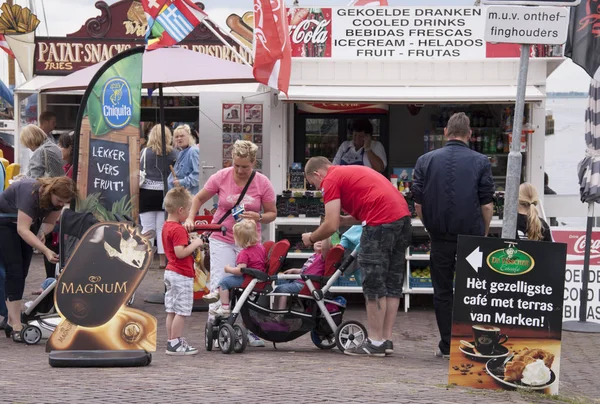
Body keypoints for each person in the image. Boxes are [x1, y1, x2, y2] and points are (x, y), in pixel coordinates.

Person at [301, 157, 412, 357]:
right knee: (391, 282)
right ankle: (385, 340)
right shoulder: (349, 171)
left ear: (317, 174)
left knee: (374, 283)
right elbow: (363, 209)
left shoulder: (330, 180)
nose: (318, 188)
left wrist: (311, 237)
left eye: (313, 184)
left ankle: (375, 341)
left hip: (379, 223)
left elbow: (331, 224)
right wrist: (345, 219)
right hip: (402, 219)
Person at [411, 112, 495, 359]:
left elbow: (418, 204)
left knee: (442, 291)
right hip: (472, 240)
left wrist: (430, 226)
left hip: (440, 237)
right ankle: (473, 341)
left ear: (446, 132)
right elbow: (487, 204)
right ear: (470, 134)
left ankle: (447, 344)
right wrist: (484, 231)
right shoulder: (481, 161)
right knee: (474, 289)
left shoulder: (425, 160)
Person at [184, 140, 276, 347]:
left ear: (254, 163)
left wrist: (259, 216)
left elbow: (272, 213)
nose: (241, 170)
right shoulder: (221, 177)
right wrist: (191, 217)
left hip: (249, 242)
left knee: (249, 285)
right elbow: (198, 198)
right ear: (231, 161)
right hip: (222, 236)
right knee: (220, 281)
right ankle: (217, 328)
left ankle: (247, 328)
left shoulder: (262, 182)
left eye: (246, 166)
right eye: (237, 165)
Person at [0, 176, 77, 342]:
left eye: (65, 202)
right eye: (59, 200)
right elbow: (22, 229)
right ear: (51, 192)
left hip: (25, 225)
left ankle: (11, 319)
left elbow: (49, 222)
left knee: (22, 272)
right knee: (14, 271)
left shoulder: (56, 201)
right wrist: (46, 251)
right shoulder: (31, 192)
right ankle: (16, 324)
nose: (61, 204)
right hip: (4, 221)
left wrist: (42, 232)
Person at [162, 186, 204, 355]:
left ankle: (171, 340)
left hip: (170, 271)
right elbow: (181, 253)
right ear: (180, 210)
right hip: (181, 273)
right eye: (188, 210)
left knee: (171, 309)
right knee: (182, 310)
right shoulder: (178, 229)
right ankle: (176, 342)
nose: (189, 213)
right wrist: (196, 243)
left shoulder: (167, 226)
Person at [202, 219, 267, 317]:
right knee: (228, 281)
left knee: (224, 282)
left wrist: (228, 269)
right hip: (258, 278)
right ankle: (216, 292)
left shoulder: (244, 253)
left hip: (247, 279)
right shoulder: (261, 247)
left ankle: (224, 308)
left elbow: (240, 271)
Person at [139, 124, 178, 268]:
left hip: (146, 193)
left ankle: (146, 260)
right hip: (165, 193)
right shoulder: (173, 153)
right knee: (162, 228)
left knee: (147, 228)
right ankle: (163, 261)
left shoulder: (145, 152)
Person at [273, 238, 331, 310]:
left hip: (307, 285)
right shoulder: (313, 256)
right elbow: (305, 270)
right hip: (300, 282)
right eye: (317, 240)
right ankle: (274, 312)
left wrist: (325, 235)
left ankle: (279, 316)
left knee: (282, 289)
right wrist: (294, 270)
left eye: (322, 241)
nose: (319, 242)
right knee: (278, 289)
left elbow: (326, 248)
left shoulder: (322, 257)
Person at [168, 124, 200, 196]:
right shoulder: (182, 152)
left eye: (182, 136)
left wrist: (182, 182)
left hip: (189, 196)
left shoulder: (193, 151)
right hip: (182, 195)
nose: (179, 138)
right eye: (176, 137)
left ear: (189, 136)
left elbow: (198, 175)